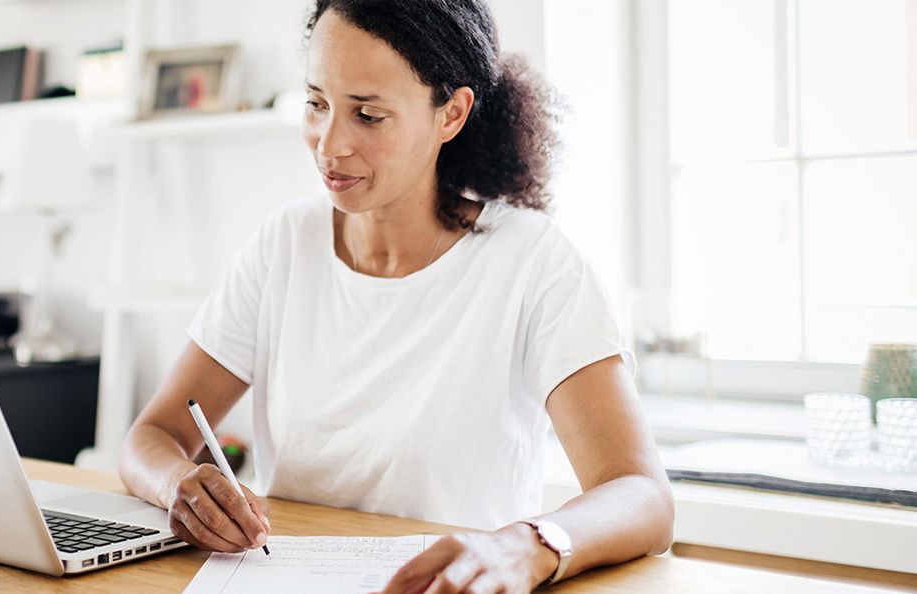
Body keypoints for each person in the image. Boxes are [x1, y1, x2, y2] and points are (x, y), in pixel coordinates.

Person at [117, 1, 675, 592]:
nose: (329, 144)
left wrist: (527, 544)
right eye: (317, 103)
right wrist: (177, 483)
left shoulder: (533, 263)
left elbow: (642, 496)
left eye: (368, 114)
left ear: (451, 115)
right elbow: (151, 438)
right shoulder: (285, 242)